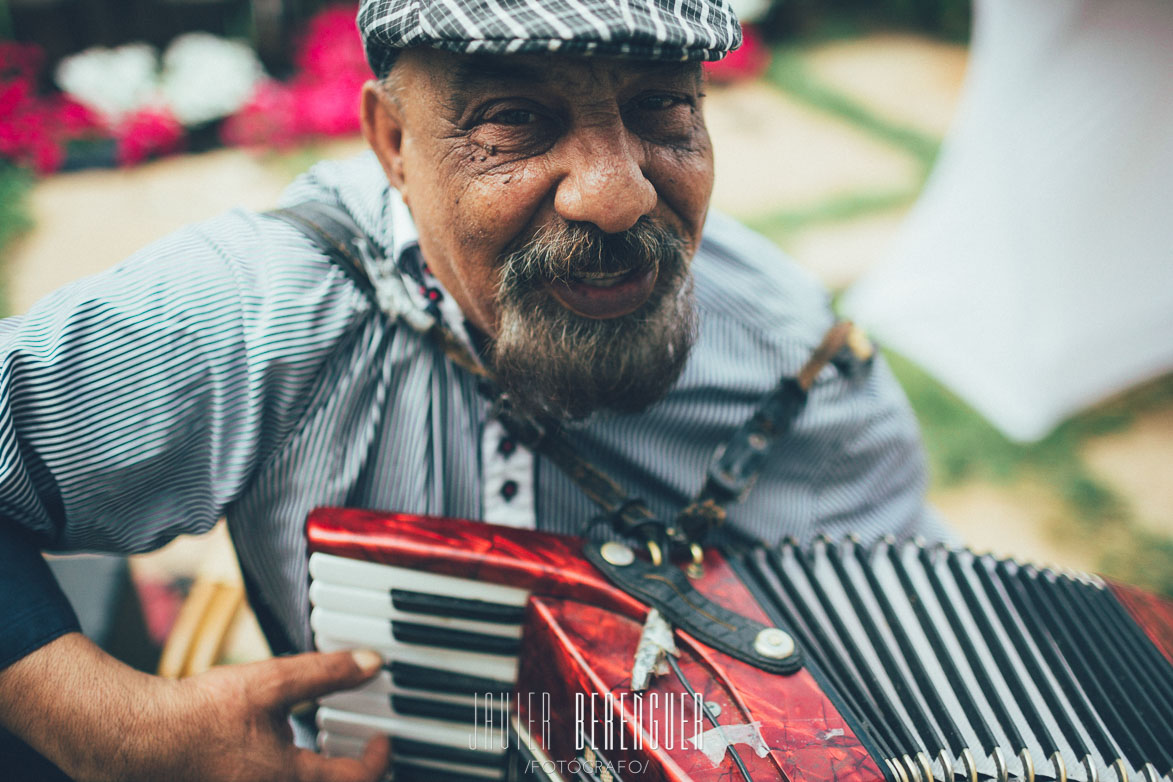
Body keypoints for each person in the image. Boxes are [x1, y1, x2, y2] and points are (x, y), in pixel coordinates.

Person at [0, 1, 948, 780]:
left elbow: (907, 659)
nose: (616, 197)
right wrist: (103, 721)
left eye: (662, 104)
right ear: (393, 143)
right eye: (516, 118)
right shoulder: (256, 312)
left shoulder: (799, 368)